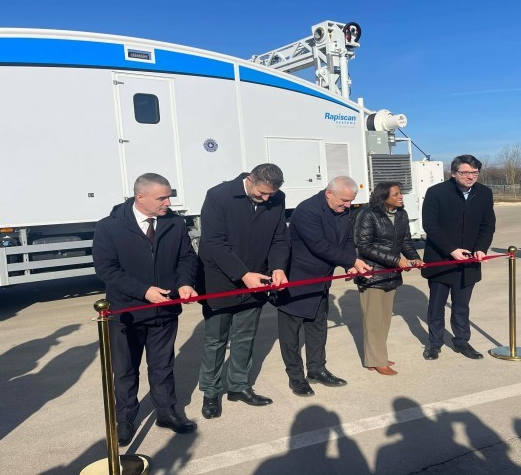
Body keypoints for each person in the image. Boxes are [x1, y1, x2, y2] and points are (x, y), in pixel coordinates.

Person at [92, 173, 199, 446]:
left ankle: (166, 411)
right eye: (162, 197)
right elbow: (107, 269)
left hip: (164, 311)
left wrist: (185, 283)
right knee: (125, 369)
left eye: (169, 195)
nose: (168, 202)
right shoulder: (109, 227)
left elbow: (187, 257)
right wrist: (143, 291)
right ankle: (125, 419)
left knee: (163, 366)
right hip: (125, 313)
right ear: (140, 197)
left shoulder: (173, 223)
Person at [197, 163, 290, 419]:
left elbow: (280, 237)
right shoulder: (219, 195)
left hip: (257, 278)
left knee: (246, 337)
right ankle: (211, 392)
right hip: (220, 280)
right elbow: (213, 242)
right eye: (261, 194)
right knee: (216, 340)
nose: (266, 199)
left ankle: (238, 386)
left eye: (271, 195)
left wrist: (278, 267)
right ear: (249, 180)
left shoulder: (276, 198)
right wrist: (242, 274)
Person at [277, 176, 371, 396]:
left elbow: (347, 239)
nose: (348, 206)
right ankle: (296, 377)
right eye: (344, 200)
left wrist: (349, 262)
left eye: (351, 201)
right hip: (297, 280)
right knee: (291, 333)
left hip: (321, 280)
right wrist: (351, 262)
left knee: (318, 328)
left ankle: (317, 369)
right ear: (329, 193)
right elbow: (319, 246)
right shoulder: (307, 211)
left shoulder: (342, 210)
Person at [421, 154, 495, 361]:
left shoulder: (484, 193)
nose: (470, 176)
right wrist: (452, 249)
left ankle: (462, 340)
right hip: (441, 260)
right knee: (436, 304)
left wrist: (481, 248)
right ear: (453, 173)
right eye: (464, 172)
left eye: (474, 172)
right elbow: (430, 226)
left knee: (461, 305)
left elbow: (487, 225)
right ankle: (434, 343)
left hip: (469, 261)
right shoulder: (436, 193)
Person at [353, 182, 423, 375]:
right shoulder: (367, 215)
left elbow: (405, 241)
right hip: (372, 274)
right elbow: (364, 246)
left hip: (392, 273)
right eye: (396, 194)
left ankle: (375, 356)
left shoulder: (401, 214)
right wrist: (396, 260)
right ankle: (377, 360)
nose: (401, 197)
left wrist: (414, 258)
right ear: (383, 197)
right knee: (374, 320)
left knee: (384, 320)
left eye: (401, 193)